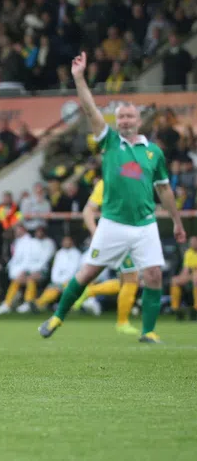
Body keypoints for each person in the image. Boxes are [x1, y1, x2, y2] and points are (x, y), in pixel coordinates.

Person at [39, 52, 186, 342]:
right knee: (87, 274)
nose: (125, 120)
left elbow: (164, 190)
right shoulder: (109, 142)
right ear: (116, 122)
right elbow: (91, 109)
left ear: (139, 120)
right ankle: (57, 317)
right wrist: (79, 78)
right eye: (120, 117)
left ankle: (149, 331)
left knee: (154, 275)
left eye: (130, 115)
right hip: (113, 223)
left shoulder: (153, 152)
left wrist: (178, 222)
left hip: (144, 224)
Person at [73, 179, 141, 334]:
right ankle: (122, 321)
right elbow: (88, 210)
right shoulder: (107, 183)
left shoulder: (132, 181)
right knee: (131, 278)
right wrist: (95, 232)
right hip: (116, 237)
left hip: (120, 236)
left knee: (128, 279)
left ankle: (87, 294)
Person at [17, 236, 82, 313]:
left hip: (70, 281)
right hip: (57, 281)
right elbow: (55, 269)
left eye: (68, 241)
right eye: (64, 241)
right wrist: (56, 280)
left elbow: (73, 270)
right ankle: (38, 304)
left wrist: (62, 281)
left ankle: (37, 304)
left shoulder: (77, 254)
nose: (66, 243)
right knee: (51, 289)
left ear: (72, 242)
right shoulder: (59, 253)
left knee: (57, 289)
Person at [170, 235, 197, 320]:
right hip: (192, 274)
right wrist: (181, 277)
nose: (193, 244)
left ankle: (195, 309)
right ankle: (176, 309)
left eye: (195, 242)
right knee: (174, 281)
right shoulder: (188, 253)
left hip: (195, 275)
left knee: (196, 277)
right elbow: (185, 269)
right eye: (192, 242)